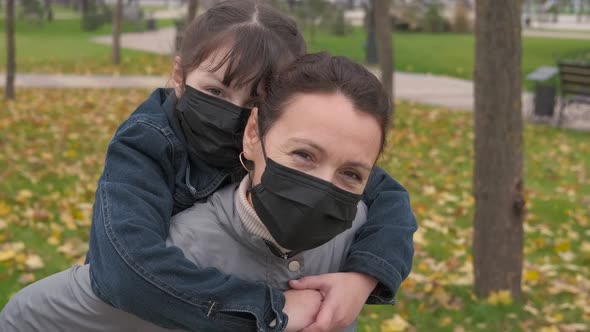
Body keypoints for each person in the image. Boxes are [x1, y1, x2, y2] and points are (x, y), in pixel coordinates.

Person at [7, 1, 416, 331]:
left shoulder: (303, 150)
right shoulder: (147, 141)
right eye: (215, 90)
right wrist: (271, 310)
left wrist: (363, 279)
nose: (232, 112)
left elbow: (389, 197)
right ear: (179, 77)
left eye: (256, 100)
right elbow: (123, 270)